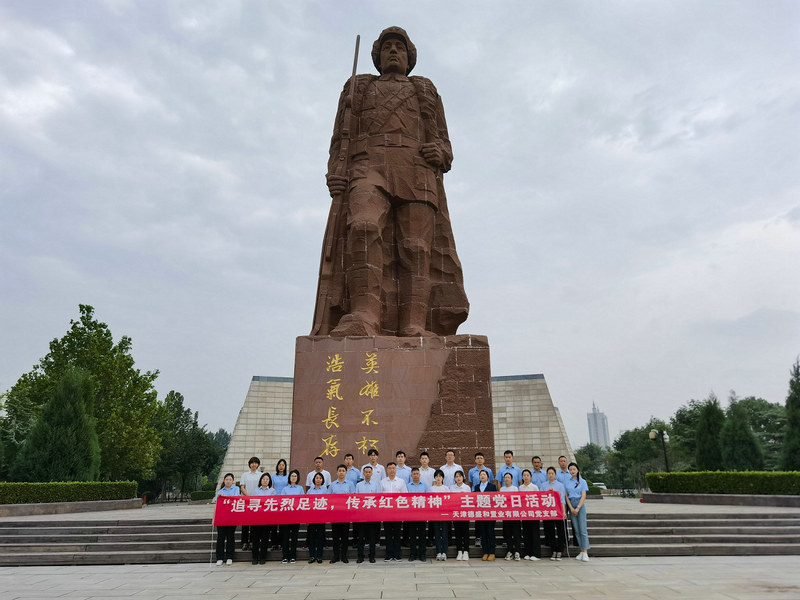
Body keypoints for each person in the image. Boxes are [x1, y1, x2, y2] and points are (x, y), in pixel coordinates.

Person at [313, 26, 468, 339]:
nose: (393, 51)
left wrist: (440, 152)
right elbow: (339, 138)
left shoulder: (425, 89)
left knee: (416, 248)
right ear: (378, 57)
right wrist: (334, 171)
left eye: (399, 47)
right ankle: (364, 315)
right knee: (363, 227)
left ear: (409, 57)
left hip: (416, 169)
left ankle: (414, 324)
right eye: (387, 47)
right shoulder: (358, 87)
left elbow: (445, 146)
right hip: (368, 164)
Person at [380, 462, 407, 561]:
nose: (392, 470)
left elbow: (405, 496)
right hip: (386, 512)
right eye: (390, 468)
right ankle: (389, 554)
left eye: (393, 468)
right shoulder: (382, 482)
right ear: (387, 470)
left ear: (396, 470)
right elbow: (379, 497)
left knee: (397, 534)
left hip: (397, 512)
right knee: (388, 534)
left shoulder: (401, 482)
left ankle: (397, 554)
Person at [329, 464, 356, 563]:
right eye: (339, 470)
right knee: (335, 537)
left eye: (343, 471)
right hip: (335, 514)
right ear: (337, 472)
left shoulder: (350, 484)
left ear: (346, 473)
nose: (341, 472)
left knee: (345, 536)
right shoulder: (332, 485)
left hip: (345, 514)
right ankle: (336, 556)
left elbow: (353, 498)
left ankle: (344, 556)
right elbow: (328, 499)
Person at [213, 473, 240, 565]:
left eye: (230, 480)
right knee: (220, 537)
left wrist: (224, 497)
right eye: (227, 479)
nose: (228, 481)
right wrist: (220, 497)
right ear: (224, 481)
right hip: (221, 517)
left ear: (233, 481)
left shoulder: (236, 489)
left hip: (232, 517)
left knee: (230, 537)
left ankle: (229, 557)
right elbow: (215, 501)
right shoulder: (220, 491)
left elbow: (236, 498)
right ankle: (219, 557)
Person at [566, 462, 591, 562]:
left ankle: (585, 552)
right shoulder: (567, 482)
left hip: (580, 504)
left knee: (582, 529)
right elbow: (566, 496)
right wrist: (571, 508)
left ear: (577, 470)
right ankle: (581, 550)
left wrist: (578, 507)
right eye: (570, 469)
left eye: (574, 469)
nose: (572, 471)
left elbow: (584, 495)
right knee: (576, 530)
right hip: (571, 504)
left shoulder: (582, 481)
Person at [356, 465, 381, 563]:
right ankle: (360, 556)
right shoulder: (359, 485)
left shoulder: (376, 485)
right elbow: (357, 499)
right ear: (363, 473)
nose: (367, 474)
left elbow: (378, 499)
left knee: (372, 536)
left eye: (369, 472)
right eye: (366, 472)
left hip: (372, 515)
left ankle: (372, 555)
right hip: (361, 515)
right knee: (360, 536)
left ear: (372, 473)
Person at [249, 472, 276, 565]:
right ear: (260, 480)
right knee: (255, 539)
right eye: (263, 479)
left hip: (267, 518)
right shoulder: (255, 491)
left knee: (265, 539)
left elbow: (273, 502)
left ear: (269, 481)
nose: (265, 481)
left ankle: (263, 557)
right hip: (256, 518)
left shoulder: (272, 491)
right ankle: (254, 557)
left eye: (267, 479)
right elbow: (252, 503)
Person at [541, 466, 567, 560]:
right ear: (547, 475)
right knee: (550, 531)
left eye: (552, 473)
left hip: (558, 511)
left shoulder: (560, 485)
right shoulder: (543, 485)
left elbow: (562, 499)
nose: (551, 475)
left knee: (560, 531)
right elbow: (541, 497)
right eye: (549, 473)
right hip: (548, 511)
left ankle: (560, 550)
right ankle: (553, 550)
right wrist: (547, 492)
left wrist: (564, 512)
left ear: (555, 475)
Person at [280, 469, 305, 563]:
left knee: (294, 537)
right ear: (289, 478)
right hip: (286, 516)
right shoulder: (285, 489)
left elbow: (302, 500)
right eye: (292, 476)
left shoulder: (300, 488)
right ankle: (285, 556)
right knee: (285, 537)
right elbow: (282, 501)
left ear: (297, 478)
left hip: (296, 516)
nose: (293, 478)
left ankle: (293, 556)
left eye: (295, 476)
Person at [239, 456, 262, 552]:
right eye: (252, 463)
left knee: (254, 523)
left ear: (258, 464)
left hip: (256, 502)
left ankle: (252, 541)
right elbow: (242, 487)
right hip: (246, 501)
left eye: (256, 463)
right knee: (245, 523)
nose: (254, 464)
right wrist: (248, 496)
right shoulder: (245, 475)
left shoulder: (261, 475)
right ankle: (244, 542)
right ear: (249, 464)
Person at [406, 467, 429, 561]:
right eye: (414, 474)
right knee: (412, 535)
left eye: (417, 474)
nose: (415, 475)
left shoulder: (425, 485)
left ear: (419, 475)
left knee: (422, 535)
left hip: (422, 514)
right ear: (411, 476)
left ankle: (422, 554)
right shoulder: (407, 486)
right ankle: (413, 554)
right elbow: (405, 498)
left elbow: (428, 498)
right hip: (411, 514)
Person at [473, 469, 496, 561]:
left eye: (484, 474)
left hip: (490, 514)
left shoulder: (492, 486)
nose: (482, 476)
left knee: (490, 533)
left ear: (487, 476)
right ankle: (485, 552)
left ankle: (492, 552)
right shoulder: (476, 487)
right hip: (480, 514)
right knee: (483, 533)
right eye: (481, 475)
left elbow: (494, 499)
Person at [306, 472, 329, 564]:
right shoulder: (310, 491)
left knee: (320, 537)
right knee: (311, 537)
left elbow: (327, 502)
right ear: (314, 480)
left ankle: (319, 556)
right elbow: (307, 502)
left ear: (322, 480)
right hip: (311, 517)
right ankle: (312, 555)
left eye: (320, 478)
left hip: (321, 517)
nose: (318, 479)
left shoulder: (325, 491)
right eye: (316, 478)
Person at [518, 469, 541, 561]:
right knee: (526, 533)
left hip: (534, 514)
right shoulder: (520, 488)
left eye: (527, 475)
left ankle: (536, 554)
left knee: (535, 534)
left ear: (530, 477)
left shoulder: (534, 487)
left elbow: (538, 499)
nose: (526, 477)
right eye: (524, 475)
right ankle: (528, 552)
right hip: (525, 514)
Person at [499, 472, 521, 561]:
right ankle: (510, 551)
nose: (507, 479)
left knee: (516, 534)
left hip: (515, 515)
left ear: (512, 479)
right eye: (505, 477)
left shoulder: (515, 488)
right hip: (506, 515)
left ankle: (517, 551)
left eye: (508, 477)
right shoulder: (502, 489)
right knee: (508, 534)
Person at [449, 470, 471, 561]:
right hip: (456, 513)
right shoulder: (451, 488)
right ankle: (459, 551)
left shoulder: (467, 488)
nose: (458, 478)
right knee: (457, 533)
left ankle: (466, 551)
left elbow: (470, 500)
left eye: (460, 476)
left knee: (465, 533)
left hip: (465, 513)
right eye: (456, 476)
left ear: (463, 477)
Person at [271, 458, 289, 551]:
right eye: (279, 465)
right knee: (274, 524)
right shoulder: (273, 476)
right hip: (275, 501)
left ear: (285, 466)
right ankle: (274, 543)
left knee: (283, 524)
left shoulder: (288, 475)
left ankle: (281, 543)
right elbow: (272, 488)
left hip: (284, 502)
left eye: (283, 465)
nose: (281, 467)